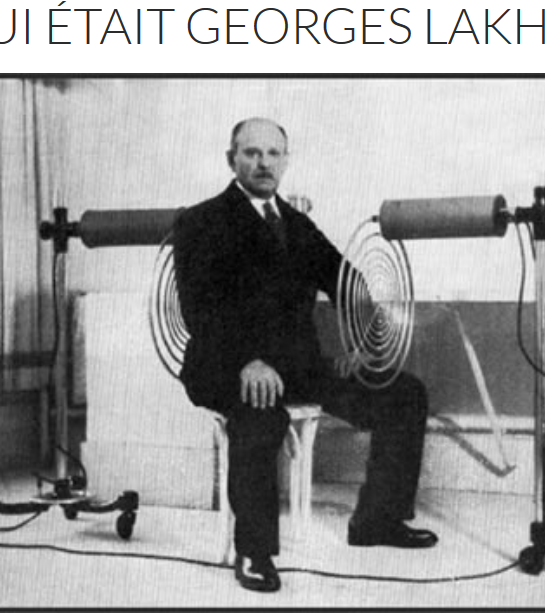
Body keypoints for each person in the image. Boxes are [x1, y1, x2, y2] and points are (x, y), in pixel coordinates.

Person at [173, 117, 436, 593]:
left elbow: (347, 282)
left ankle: (377, 520)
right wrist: (247, 363)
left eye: (274, 153)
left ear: (286, 161)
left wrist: (359, 342)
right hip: (225, 367)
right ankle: (254, 552)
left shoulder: (296, 225)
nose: (264, 163)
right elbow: (199, 311)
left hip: (298, 368)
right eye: (252, 153)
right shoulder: (200, 221)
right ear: (231, 159)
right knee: (260, 416)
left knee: (403, 394)